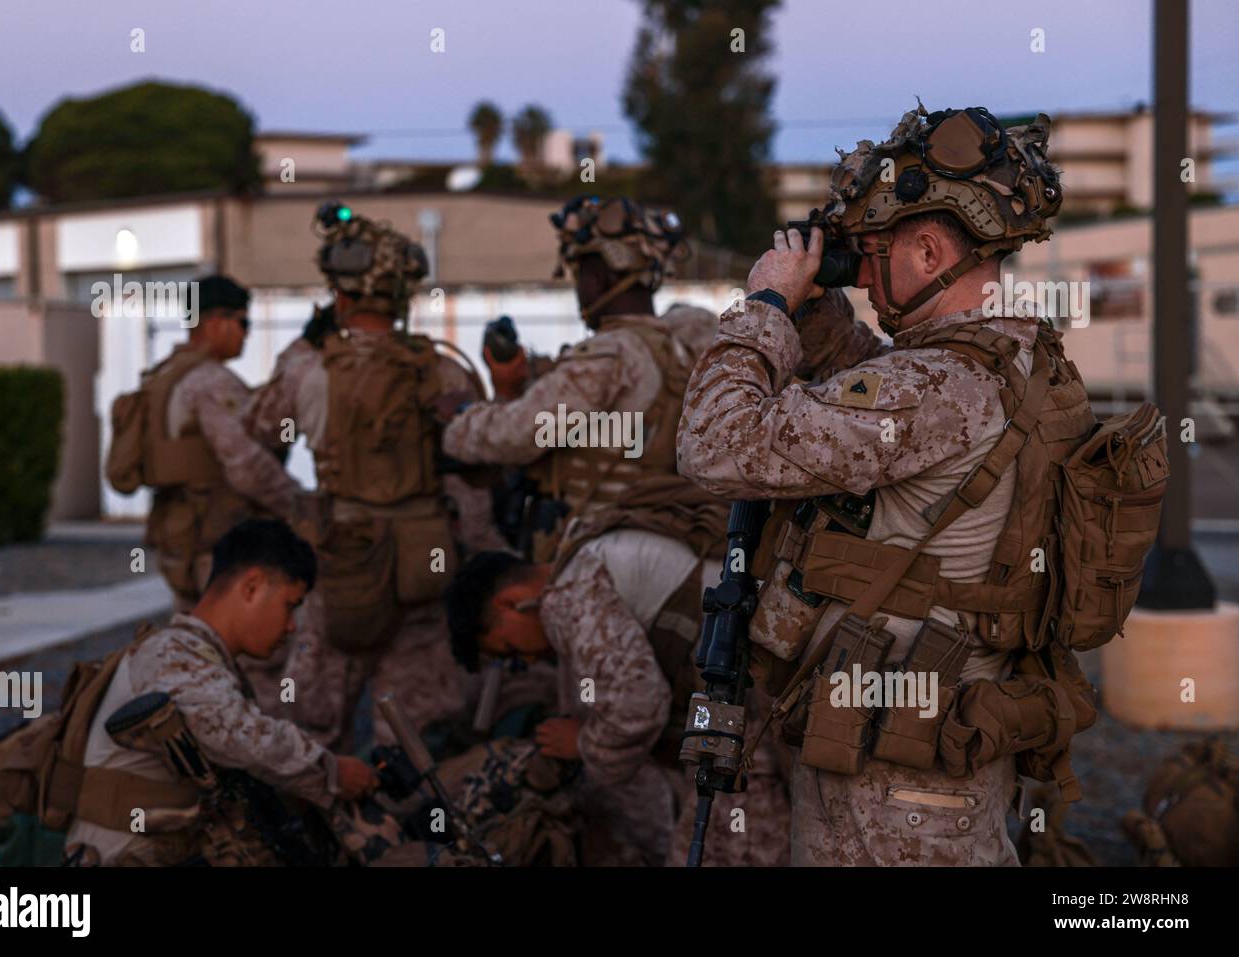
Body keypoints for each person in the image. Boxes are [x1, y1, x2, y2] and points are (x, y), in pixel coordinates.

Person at [676, 105, 1100, 866]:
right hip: (947, 745)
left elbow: (714, 445)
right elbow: (877, 397)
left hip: (888, 787)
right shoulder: (1021, 362)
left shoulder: (928, 386)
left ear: (932, 249)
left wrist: (765, 306)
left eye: (877, 253)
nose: (866, 273)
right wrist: (822, 316)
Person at [443, 475, 791, 867]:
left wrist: (582, 744)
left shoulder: (567, 597)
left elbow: (637, 704)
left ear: (510, 603)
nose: (527, 661)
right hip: (759, 687)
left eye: (508, 650)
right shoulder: (582, 548)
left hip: (752, 708)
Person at [244, 209, 486, 748]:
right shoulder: (443, 369)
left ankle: (326, 819)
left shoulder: (307, 369)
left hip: (342, 565)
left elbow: (259, 432)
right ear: (402, 299)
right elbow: (480, 464)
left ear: (341, 297)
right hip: (427, 562)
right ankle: (413, 822)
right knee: (418, 731)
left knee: (310, 723)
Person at [65, 519, 375, 866]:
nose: (291, 626)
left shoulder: (199, 657)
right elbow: (238, 735)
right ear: (252, 586)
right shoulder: (171, 652)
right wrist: (330, 772)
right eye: (290, 605)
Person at [441, 196, 711, 562]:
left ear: (598, 278)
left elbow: (522, 434)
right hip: (663, 540)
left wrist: (461, 419)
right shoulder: (684, 343)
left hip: (597, 547)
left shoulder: (609, 354)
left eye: (580, 275)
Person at [110, 274, 308, 611]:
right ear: (216, 322)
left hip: (180, 537)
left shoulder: (162, 375)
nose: (247, 333)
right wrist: (302, 508)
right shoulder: (211, 382)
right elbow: (246, 466)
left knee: (195, 641)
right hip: (217, 539)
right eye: (243, 322)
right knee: (251, 656)